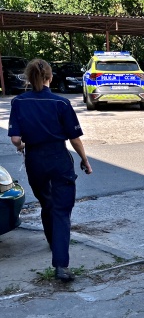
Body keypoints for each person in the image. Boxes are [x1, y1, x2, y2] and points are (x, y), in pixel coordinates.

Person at [8, 58, 92, 283]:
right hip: (59, 159)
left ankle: (51, 239)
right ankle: (61, 266)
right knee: (61, 211)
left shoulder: (18, 102)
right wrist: (85, 160)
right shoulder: (61, 103)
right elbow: (74, 139)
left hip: (35, 159)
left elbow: (16, 139)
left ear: (28, 77)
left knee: (47, 202)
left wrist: (23, 146)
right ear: (50, 78)